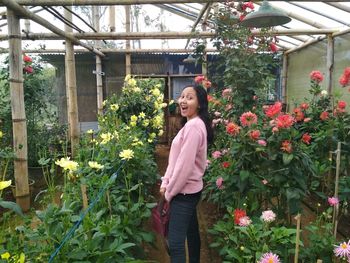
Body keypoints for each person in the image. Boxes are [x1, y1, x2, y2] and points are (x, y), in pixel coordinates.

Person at [159, 84, 214, 263]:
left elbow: (184, 167)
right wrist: (165, 181)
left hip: (183, 192)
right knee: (191, 232)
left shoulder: (193, 128)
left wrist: (169, 192)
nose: (183, 100)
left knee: (175, 244)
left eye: (189, 97)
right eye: (182, 96)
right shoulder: (193, 124)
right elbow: (175, 161)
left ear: (199, 104)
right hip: (189, 190)